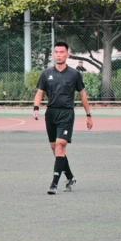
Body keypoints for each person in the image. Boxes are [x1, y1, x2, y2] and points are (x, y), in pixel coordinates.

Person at [33, 41, 93, 195]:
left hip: (66, 114)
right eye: (56, 52)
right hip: (51, 114)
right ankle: (70, 177)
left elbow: (83, 95)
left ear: (67, 54)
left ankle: (54, 184)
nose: (59, 55)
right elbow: (40, 93)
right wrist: (36, 108)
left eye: (62, 52)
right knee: (55, 149)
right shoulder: (46, 74)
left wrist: (88, 115)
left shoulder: (74, 74)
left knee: (61, 145)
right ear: (54, 54)